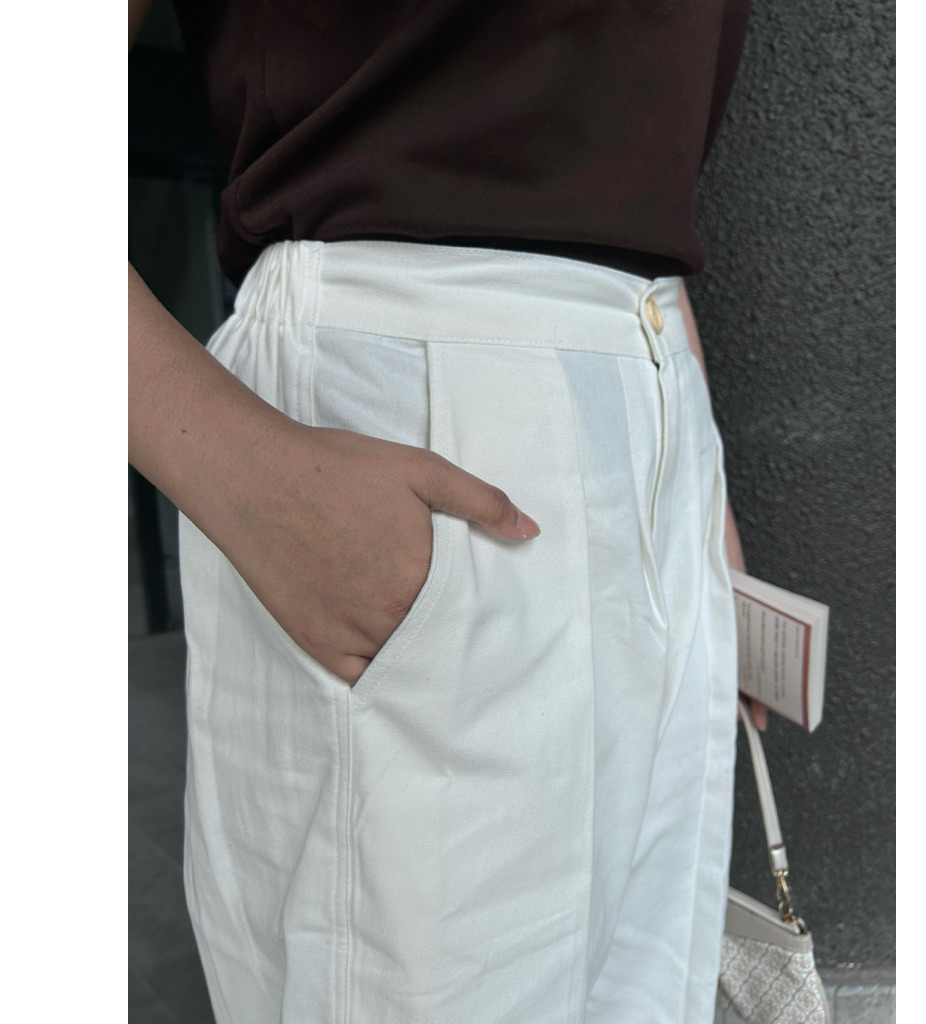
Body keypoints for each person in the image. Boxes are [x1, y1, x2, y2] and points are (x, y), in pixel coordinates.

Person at [129, 0, 768, 1021]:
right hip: (405, 405)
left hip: (653, 402)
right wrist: (252, 480)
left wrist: (699, 496)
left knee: (647, 989)